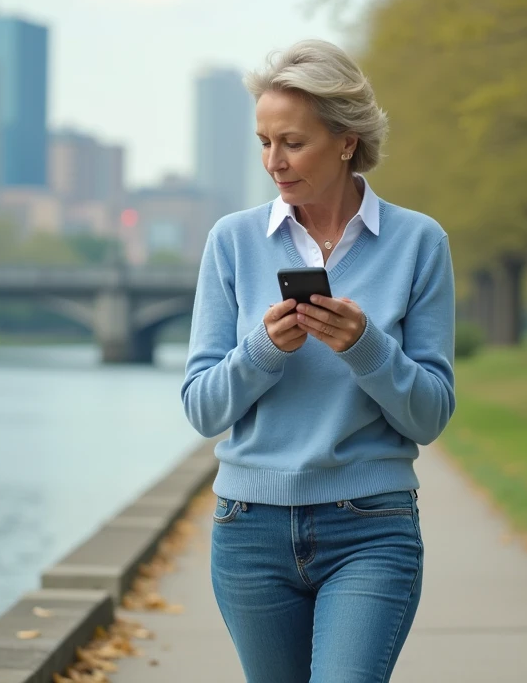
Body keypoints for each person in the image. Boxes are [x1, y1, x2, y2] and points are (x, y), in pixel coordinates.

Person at [181, 39, 457, 683]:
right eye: (263, 141)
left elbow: (431, 415)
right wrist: (261, 351)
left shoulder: (419, 243)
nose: (273, 162)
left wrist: (366, 347)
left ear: (346, 141)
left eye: (293, 142)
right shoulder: (233, 241)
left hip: (371, 529)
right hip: (249, 531)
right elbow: (201, 408)